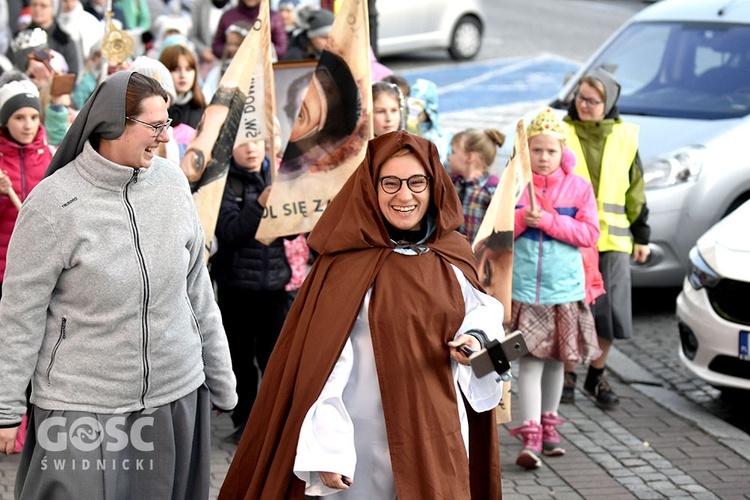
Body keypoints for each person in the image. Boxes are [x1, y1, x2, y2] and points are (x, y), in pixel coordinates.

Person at [219, 130, 504, 499]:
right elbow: (325, 364)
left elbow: (485, 313)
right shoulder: (344, 263)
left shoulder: (454, 252)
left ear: (434, 186)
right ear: (371, 186)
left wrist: (476, 340)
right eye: (390, 183)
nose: (405, 195)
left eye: (417, 182)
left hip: (438, 428)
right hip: (360, 440)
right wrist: (327, 446)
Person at [0, 71, 237, 498]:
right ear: (114, 124)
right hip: (82, 410)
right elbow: (20, 314)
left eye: (168, 124)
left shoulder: (172, 184)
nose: (165, 138)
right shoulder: (54, 204)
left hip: (175, 395)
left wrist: (222, 378)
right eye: (155, 126)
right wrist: (7, 407)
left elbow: (197, 289)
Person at [507, 108, 602, 469]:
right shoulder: (515, 184)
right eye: (536, 150)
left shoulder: (578, 187)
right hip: (525, 291)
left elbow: (590, 234)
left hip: (562, 291)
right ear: (525, 150)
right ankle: (530, 433)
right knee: (530, 362)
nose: (543, 158)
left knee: (556, 363)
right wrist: (520, 219)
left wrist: (547, 221)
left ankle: (549, 426)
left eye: (550, 150)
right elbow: (497, 232)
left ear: (563, 150)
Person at [561, 67, 651, 409]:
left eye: (594, 101)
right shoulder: (561, 131)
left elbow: (636, 189)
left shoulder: (625, 136)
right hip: (569, 238)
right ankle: (567, 374)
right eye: (581, 98)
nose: (585, 105)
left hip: (612, 242)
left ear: (608, 102)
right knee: (569, 309)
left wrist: (641, 234)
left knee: (610, 315)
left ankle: (596, 376)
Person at [210, 137, 292, 445]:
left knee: (273, 359)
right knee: (240, 360)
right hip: (237, 287)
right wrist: (259, 205)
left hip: (274, 286)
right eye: (243, 142)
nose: (252, 149)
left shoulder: (277, 175)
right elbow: (230, 232)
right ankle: (243, 421)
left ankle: (271, 422)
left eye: (257, 141)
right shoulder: (224, 183)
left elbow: (294, 230)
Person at [448, 127, 505, 243]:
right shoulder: (451, 183)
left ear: (469, 157)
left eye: (453, 152)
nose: (449, 158)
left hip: (476, 256)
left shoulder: (491, 190)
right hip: (450, 253)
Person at [212, 0, 287, 61]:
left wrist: (255, 52)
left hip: (262, 71)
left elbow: (281, 48)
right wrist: (230, 49)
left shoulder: (273, 17)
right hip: (232, 69)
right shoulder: (228, 16)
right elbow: (217, 46)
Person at [407, 78, 450, 167]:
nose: (414, 112)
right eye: (411, 107)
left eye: (420, 107)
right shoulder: (405, 132)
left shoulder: (443, 137)